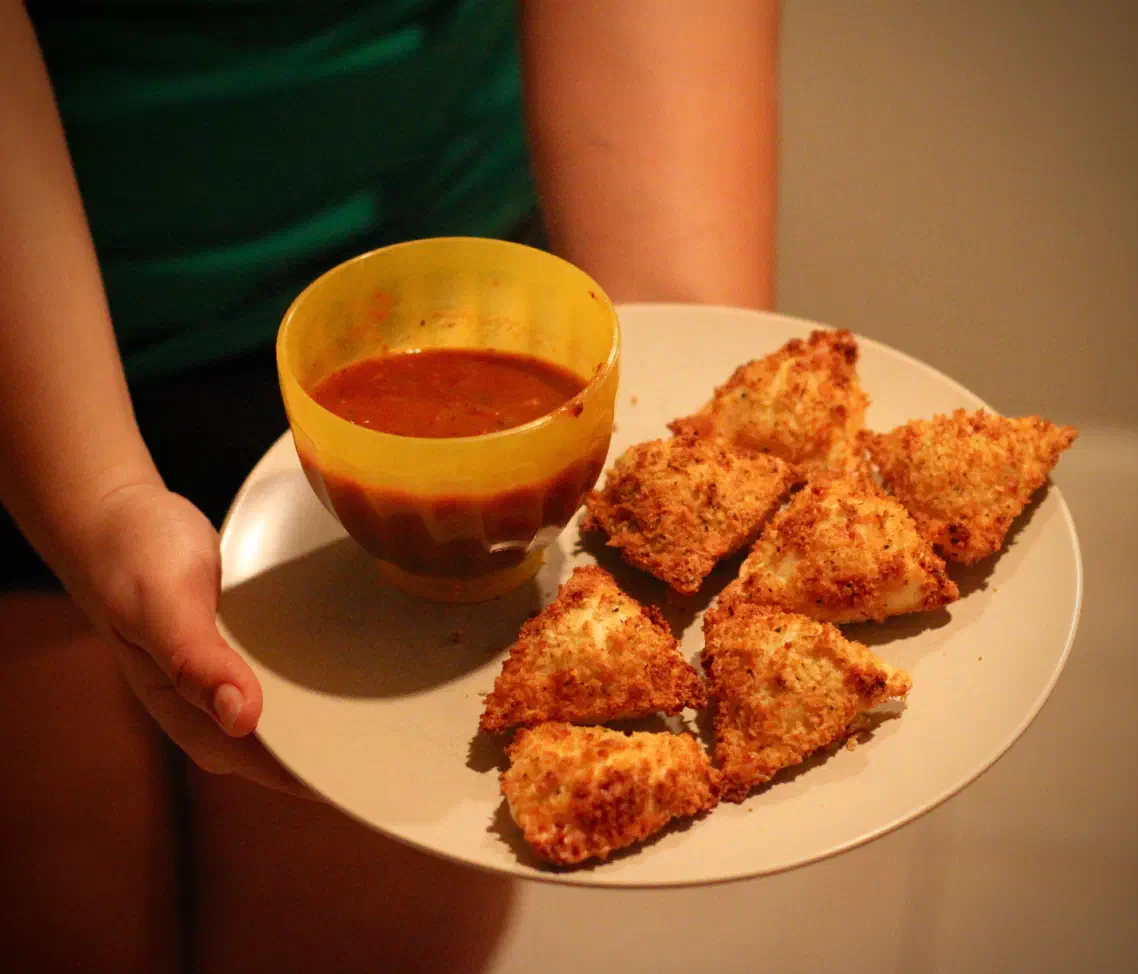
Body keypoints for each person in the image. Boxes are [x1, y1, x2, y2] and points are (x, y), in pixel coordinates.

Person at [0, 1, 779, 970]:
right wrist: (100, 501)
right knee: (65, 915)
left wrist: (696, 390)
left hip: (471, 309)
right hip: (29, 356)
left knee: (365, 937)